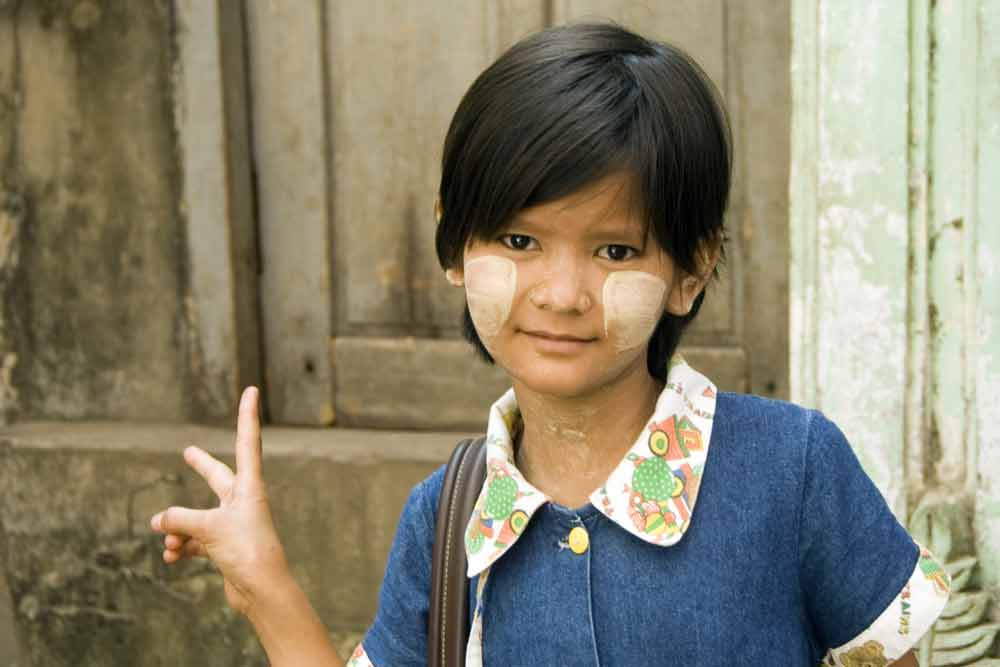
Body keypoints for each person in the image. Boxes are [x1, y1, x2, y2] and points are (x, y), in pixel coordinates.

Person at [150, 22, 948, 666]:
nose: (561, 293)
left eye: (615, 251)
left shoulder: (792, 468)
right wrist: (263, 583)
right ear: (457, 249)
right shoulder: (446, 518)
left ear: (691, 271)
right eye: (520, 239)